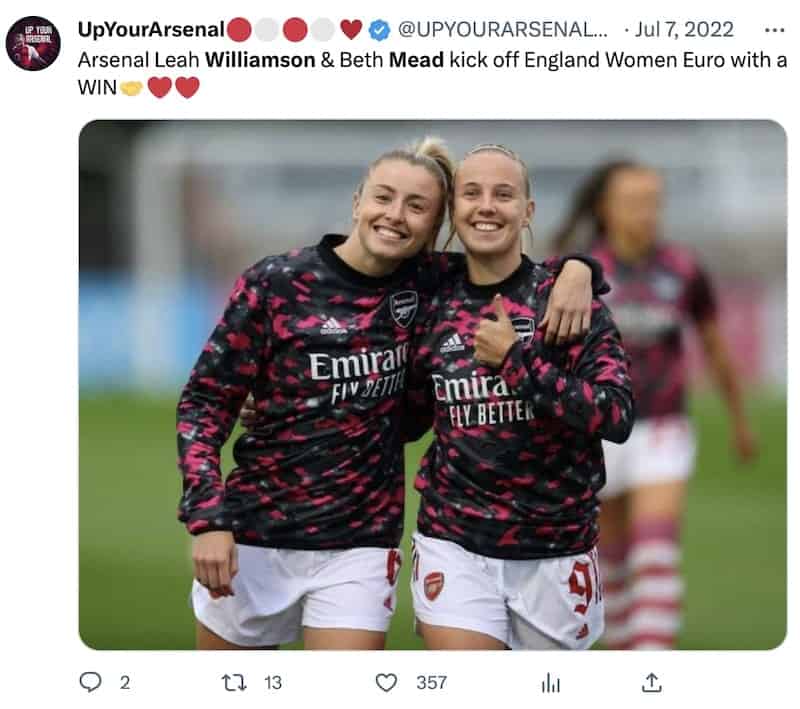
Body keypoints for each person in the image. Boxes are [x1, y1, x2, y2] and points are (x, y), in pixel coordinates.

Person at [177, 137, 599, 651]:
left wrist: (580, 269)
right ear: (358, 200)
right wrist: (207, 518)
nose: (396, 215)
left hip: (359, 543)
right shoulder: (276, 283)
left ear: (435, 225)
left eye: (417, 206)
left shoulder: (432, 284)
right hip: (252, 533)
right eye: (383, 197)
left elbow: (517, 271)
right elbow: (204, 402)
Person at [406, 145, 634, 650]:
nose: (487, 205)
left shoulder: (566, 298)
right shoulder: (427, 297)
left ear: (527, 211)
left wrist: (516, 362)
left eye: (503, 194)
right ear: (453, 209)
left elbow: (616, 415)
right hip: (454, 541)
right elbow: (406, 417)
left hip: (557, 549)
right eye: (472, 193)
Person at [552, 160, 757, 649]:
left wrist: (739, 421)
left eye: (653, 201)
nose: (646, 212)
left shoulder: (683, 269)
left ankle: (652, 664)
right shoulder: (579, 272)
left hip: (664, 424)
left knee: (655, 553)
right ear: (606, 206)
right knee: (613, 563)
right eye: (633, 200)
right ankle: (628, 662)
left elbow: (714, 347)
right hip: (600, 430)